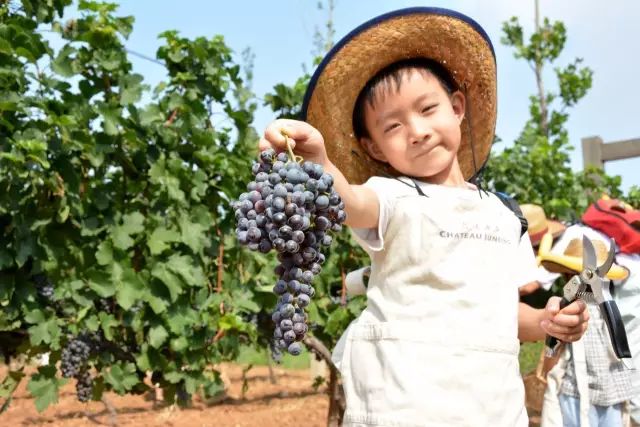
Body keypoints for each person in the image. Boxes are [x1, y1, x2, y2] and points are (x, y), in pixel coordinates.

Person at [259, 7, 589, 426]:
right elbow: (347, 201)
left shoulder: (506, 215)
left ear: (457, 107)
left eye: (428, 109)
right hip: (403, 403)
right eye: (393, 126)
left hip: (493, 408)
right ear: (375, 148)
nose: (416, 130)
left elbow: (504, 313)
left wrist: (547, 320)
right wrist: (321, 163)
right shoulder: (392, 197)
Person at [537, 225, 634, 427]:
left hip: (601, 391)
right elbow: (554, 340)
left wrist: (546, 368)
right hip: (588, 390)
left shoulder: (602, 302)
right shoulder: (571, 304)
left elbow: (552, 350)